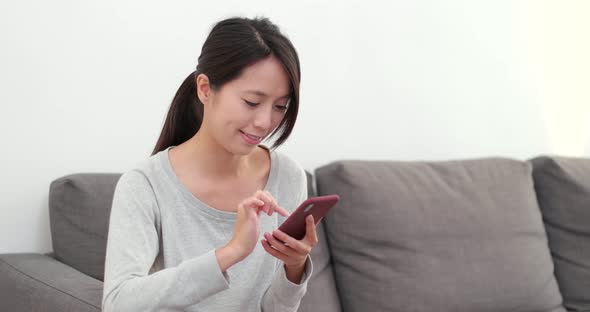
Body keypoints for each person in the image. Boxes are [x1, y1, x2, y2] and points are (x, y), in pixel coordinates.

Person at [101, 16, 317, 312]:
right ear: (205, 88)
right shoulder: (145, 184)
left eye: (280, 106)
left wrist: (295, 267)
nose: (266, 122)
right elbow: (118, 303)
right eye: (252, 102)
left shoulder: (288, 177)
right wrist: (231, 252)